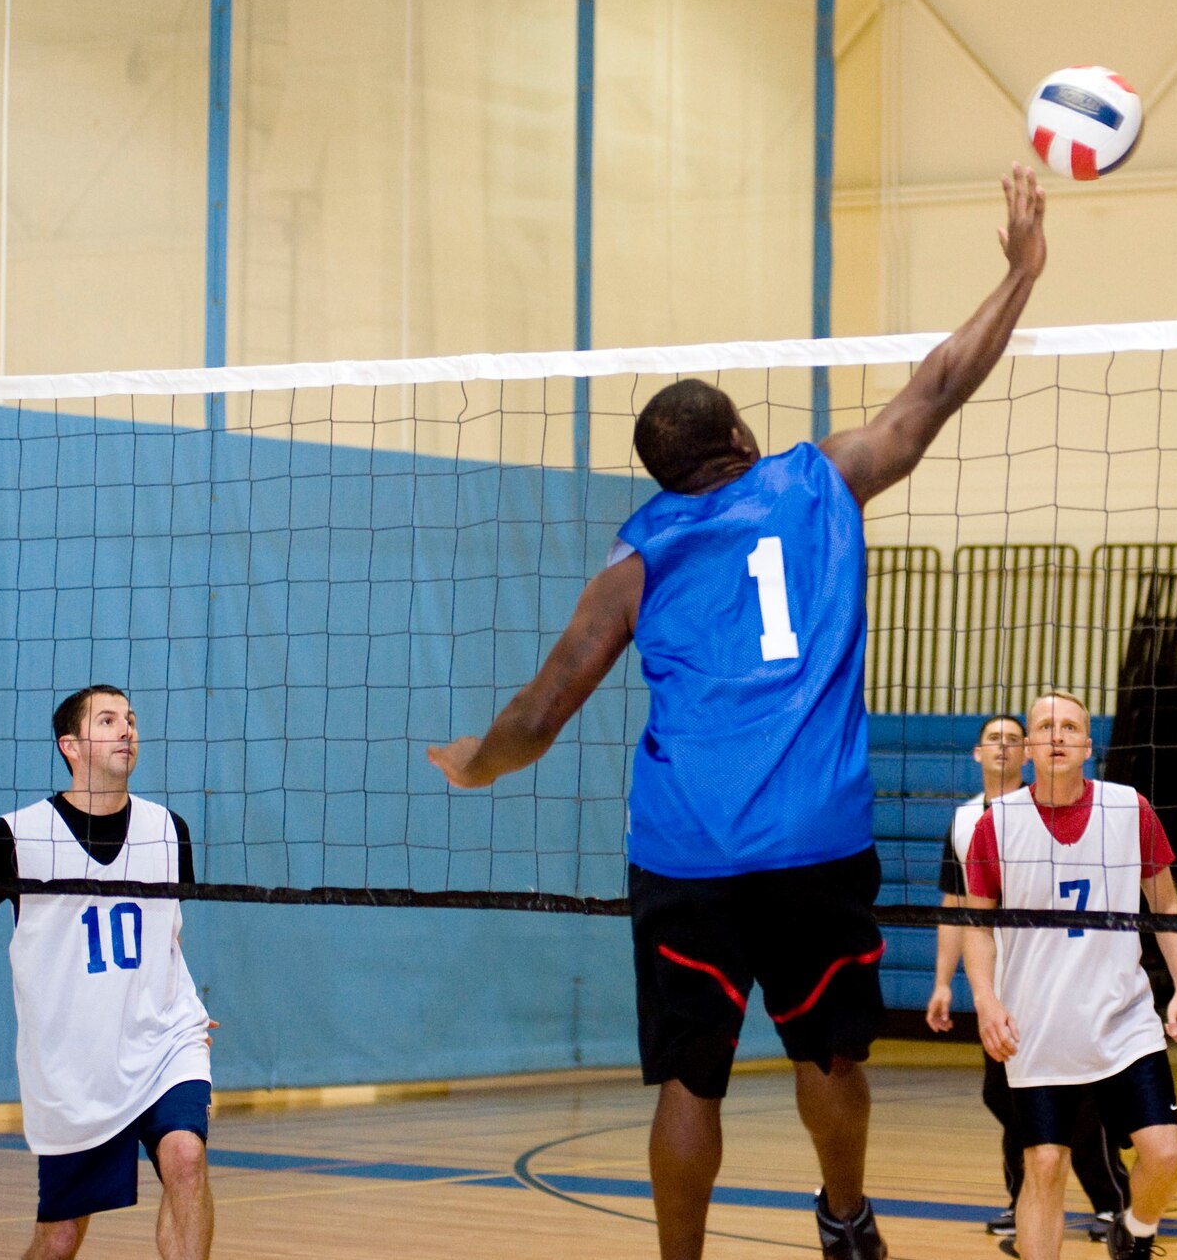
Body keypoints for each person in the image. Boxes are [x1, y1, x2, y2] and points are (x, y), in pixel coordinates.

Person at [428, 165, 1048, 1260]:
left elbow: (544, 706)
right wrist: (1019, 271)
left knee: (688, 1073)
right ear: (746, 438)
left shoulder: (636, 559)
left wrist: (475, 764)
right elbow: (936, 385)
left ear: (661, 478)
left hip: (687, 850)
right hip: (814, 838)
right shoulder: (821, 480)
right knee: (830, 1055)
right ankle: (845, 1216)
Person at [0, 685, 215, 1260]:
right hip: (73, 1066)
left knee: (186, 1160)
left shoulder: (170, 828)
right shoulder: (16, 836)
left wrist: (181, 1003)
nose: (127, 730)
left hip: (165, 1041)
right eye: (109, 720)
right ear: (70, 745)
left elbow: (166, 933)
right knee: (61, 1238)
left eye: (131, 720)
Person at [961, 691, 1177, 1260]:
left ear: (1089, 745)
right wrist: (986, 1001)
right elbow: (974, 924)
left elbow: (1165, 904)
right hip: (1038, 1024)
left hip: (1124, 1017)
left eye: (1070, 727)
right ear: (1027, 748)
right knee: (1044, 1163)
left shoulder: (1128, 808)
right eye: (1045, 727)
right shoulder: (996, 825)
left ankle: (1135, 1230)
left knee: (1163, 1154)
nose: (1058, 736)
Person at [926, 712, 1130, 1247]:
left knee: (1081, 1102)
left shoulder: (1056, 810)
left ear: (1029, 753)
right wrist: (946, 982)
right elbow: (959, 909)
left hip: (1073, 981)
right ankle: (1026, 1205)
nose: (1003, 747)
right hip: (1009, 991)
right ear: (977, 753)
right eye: (993, 739)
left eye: (1014, 739)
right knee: (1008, 1098)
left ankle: (1112, 1200)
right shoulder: (967, 822)